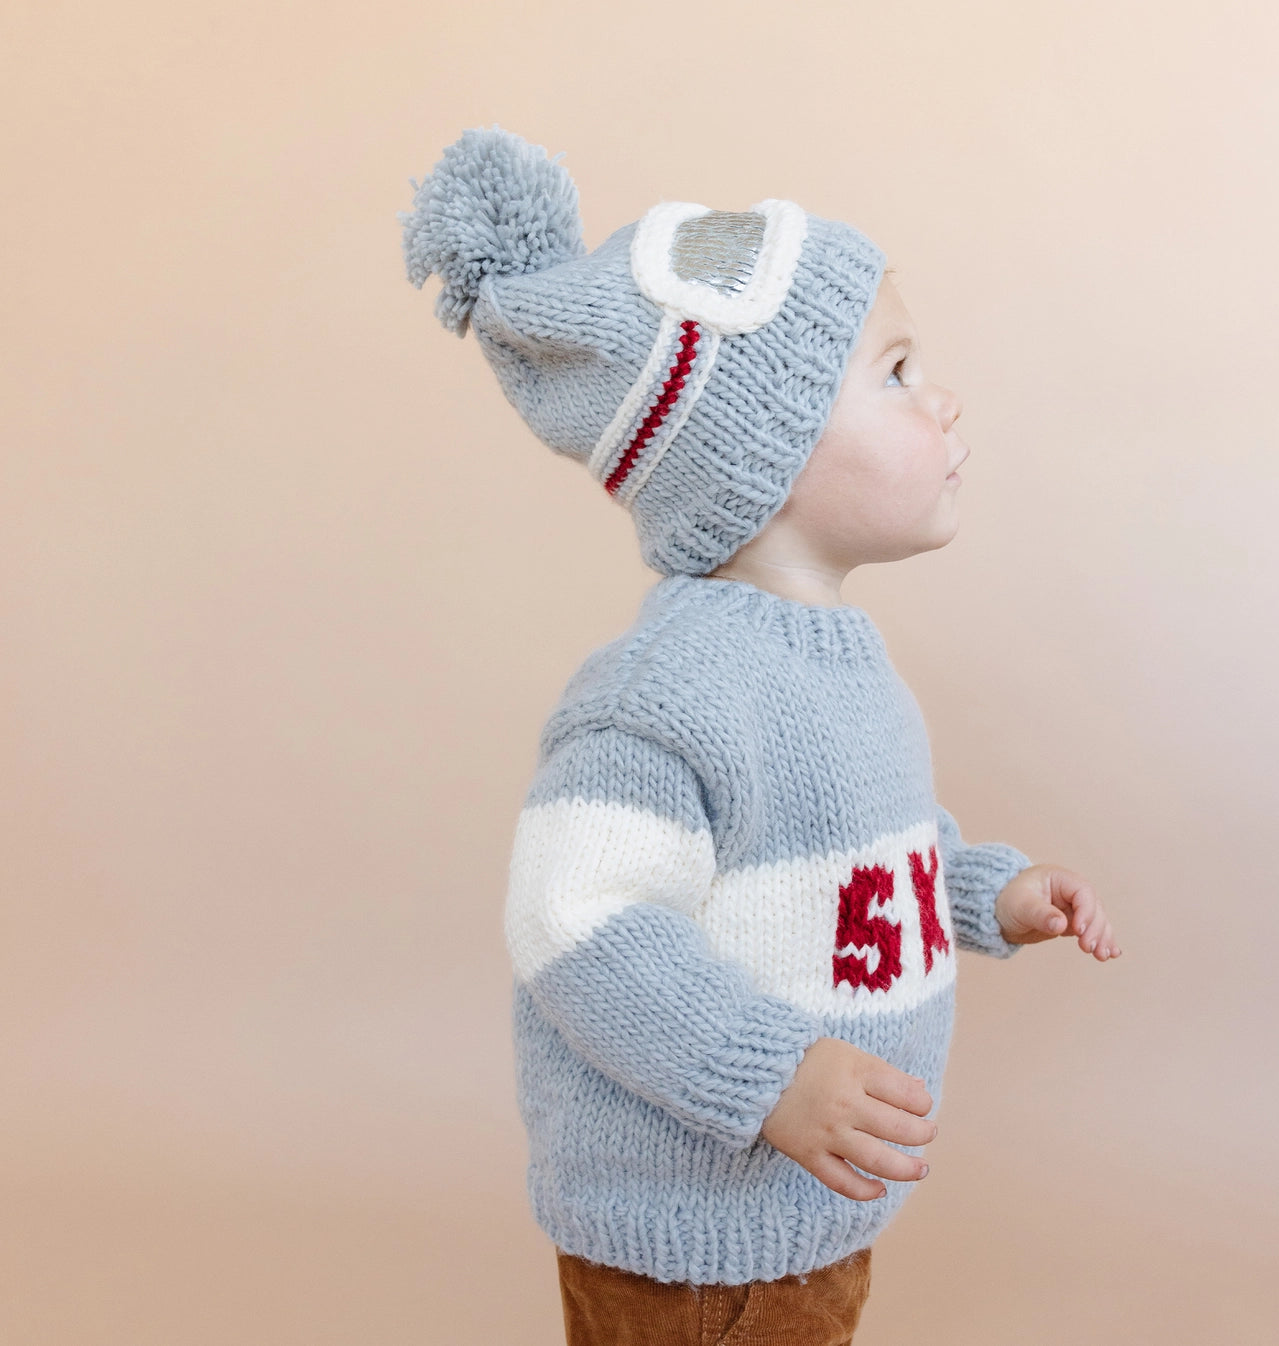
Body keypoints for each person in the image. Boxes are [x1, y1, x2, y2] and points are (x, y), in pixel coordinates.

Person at [399, 124, 1121, 1346]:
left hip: (813, 1223)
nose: (938, 396)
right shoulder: (666, 691)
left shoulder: (845, 664)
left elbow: (858, 861)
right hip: (691, 1249)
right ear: (765, 454)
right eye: (892, 373)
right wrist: (771, 1075)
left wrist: (987, 892)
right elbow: (578, 923)